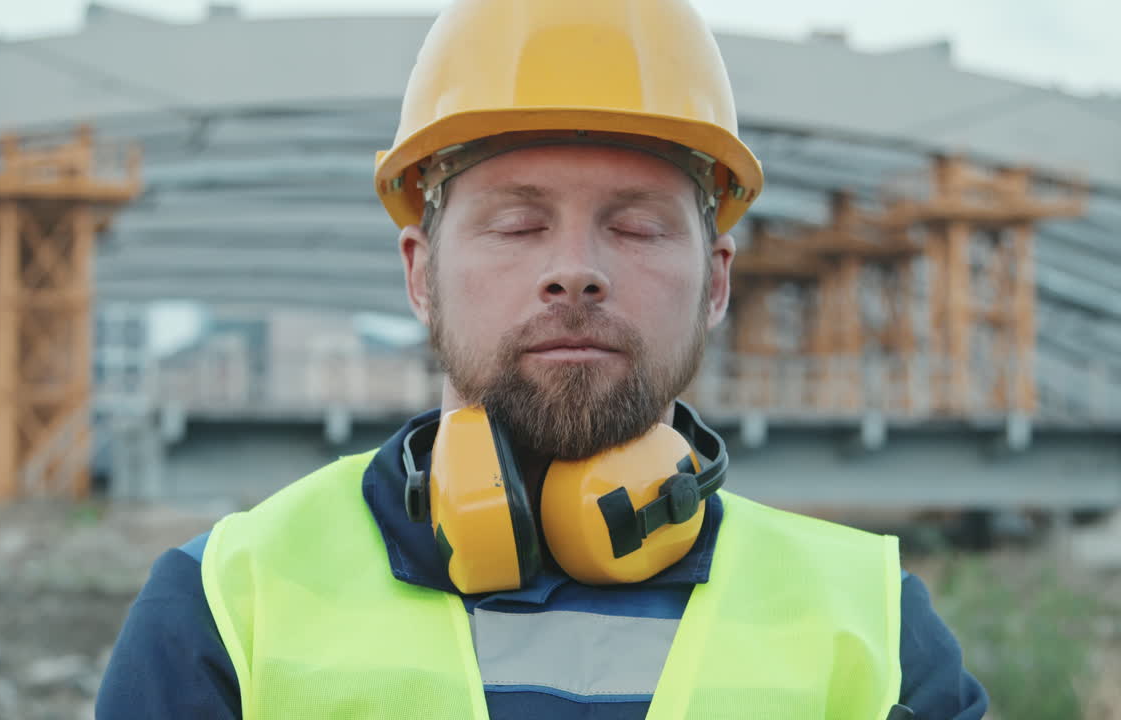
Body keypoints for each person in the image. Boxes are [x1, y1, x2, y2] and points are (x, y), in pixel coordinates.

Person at [97, 0, 989, 717]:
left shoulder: (879, 639)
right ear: (420, 275)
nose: (576, 272)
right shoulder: (220, 613)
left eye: (636, 225)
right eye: (518, 224)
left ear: (717, 284)